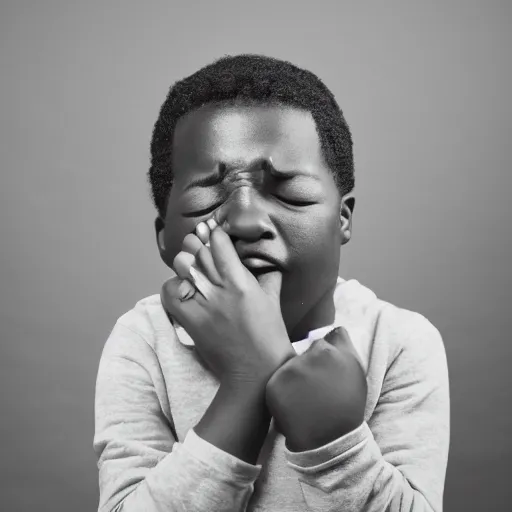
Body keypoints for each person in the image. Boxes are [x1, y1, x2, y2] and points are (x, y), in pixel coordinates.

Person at [93, 54, 450, 512]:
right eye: (206, 199)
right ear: (164, 237)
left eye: (290, 193)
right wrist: (249, 379)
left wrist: (333, 443)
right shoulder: (143, 341)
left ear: (342, 218)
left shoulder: (398, 342)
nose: (244, 220)